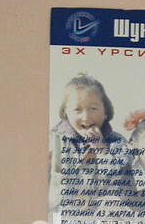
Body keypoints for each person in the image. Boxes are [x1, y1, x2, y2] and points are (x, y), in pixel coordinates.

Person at [48, 73, 127, 213]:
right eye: (77, 110)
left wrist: (101, 150)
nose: (86, 116)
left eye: (93, 109)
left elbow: (119, 181)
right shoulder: (53, 140)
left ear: (106, 111)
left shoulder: (117, 142)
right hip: (61, 217)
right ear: (66, 111)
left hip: (101, 218)